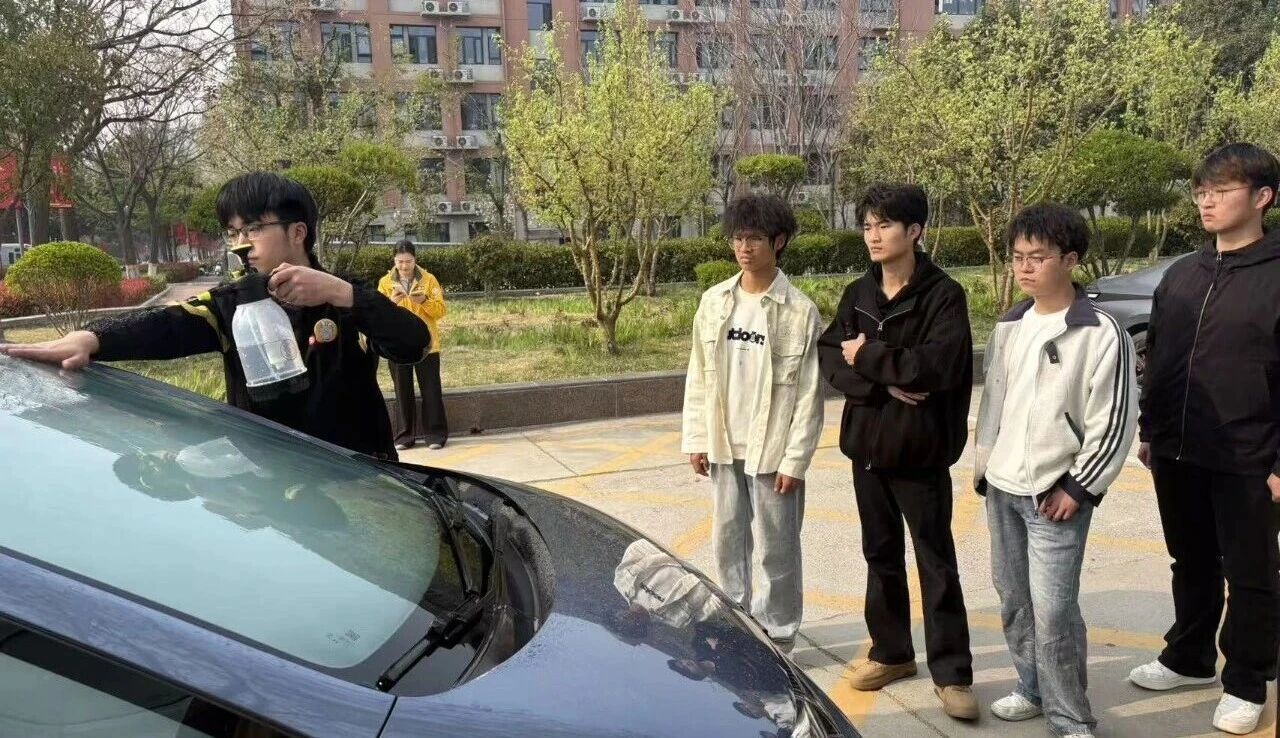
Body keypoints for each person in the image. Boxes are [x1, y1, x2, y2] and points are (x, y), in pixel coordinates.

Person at [0, 172, 430, 460]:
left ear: (297, 231)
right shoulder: (232, 304)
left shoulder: (348, 295)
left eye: (253, 228)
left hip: (360, 478)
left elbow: (414, 342)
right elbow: (168, 326)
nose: (241, 243)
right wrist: (92, 338)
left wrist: (341, 293)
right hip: (275, 484)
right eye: (233, 232)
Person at [1127, 142, 1280, 736]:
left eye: (1221, 190)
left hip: (1250, 455)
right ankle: (1188, 658)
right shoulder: (1183, 274)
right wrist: (1151, 430)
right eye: (1200, 192)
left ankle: (1246, 680)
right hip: (1178, 448)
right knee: (1189, 560)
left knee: (1252, 571)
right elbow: (1160, 358)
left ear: (1263, 197)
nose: (1206, 201)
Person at [974, 203, 1137, 738]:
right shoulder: (1011, 324)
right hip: (1003, 488)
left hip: (1055, 494)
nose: (1024, 267)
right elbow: (995, 403)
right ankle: (1032, 688)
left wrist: (1079, 486)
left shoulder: (1100, 332)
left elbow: (1114, 420)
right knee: (1014, 602)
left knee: (1054, 613)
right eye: (1017, 256)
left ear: (1070, 259)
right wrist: (984, 468)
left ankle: (1070, 717)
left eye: (1038, 257)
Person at [816, 183, 977, 721]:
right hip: (867, 447)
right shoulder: (858, 293)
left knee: (936, 561)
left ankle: (952, 673)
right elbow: (830, 355)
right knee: (880, 555)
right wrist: (882, 378)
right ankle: (891, 653)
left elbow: (935, 367)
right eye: (867, 225)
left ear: (915, 231)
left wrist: (867, 354)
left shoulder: (943, 295)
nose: (873, 235)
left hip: (920, 452)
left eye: (884, 225)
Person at [680, 193, 824, 652]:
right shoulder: (714, 302)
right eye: (738, 238)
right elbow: (698, 375)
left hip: (773, 452)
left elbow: (809, 394)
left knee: (778, 551)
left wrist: (795, 460)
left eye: (755, 238)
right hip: (724, 446)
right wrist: (697, 438)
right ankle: (736, 627)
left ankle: (779, 636)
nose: (744, 247)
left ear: (778, 242)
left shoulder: (799, 311)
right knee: (727, 542)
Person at [377, 240, 449, 451]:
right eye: (400, 262)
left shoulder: (429, 280)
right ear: (394, 261)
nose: (404, 266)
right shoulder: (385, 282)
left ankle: (435, 434)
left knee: (431, 390)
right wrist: (391, 302)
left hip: (426, 343)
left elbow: (440, 311)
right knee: (402, 390)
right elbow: (378, 314)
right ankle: (405, 436)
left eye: (408, 261)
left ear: (415, 259)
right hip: (397, 344)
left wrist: (424, 301)